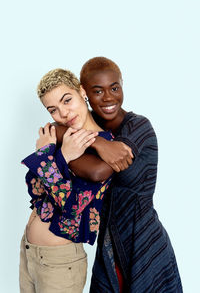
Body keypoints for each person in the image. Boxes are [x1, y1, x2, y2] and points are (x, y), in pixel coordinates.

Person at [71, 56, 183, 292]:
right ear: (84, 94)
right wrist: (100, 144)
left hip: (145, 242)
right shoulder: (87, 128)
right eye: (98, 91)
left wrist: (75, 150)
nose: (109, 97)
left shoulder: (139, 127)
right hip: (109, 246)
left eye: (114, 87)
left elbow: (98, 172)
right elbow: (57, 128)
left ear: (122, 84)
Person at [19, 68, 115, 293]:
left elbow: (71, 207)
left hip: (60, 263)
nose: (63, 112)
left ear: (82, 92)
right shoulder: (60, 135)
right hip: (29, 250)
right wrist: (62, 157)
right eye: (53, 109)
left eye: (67, 100)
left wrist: (50, 156)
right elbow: (34, 186)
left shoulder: (105, 149)